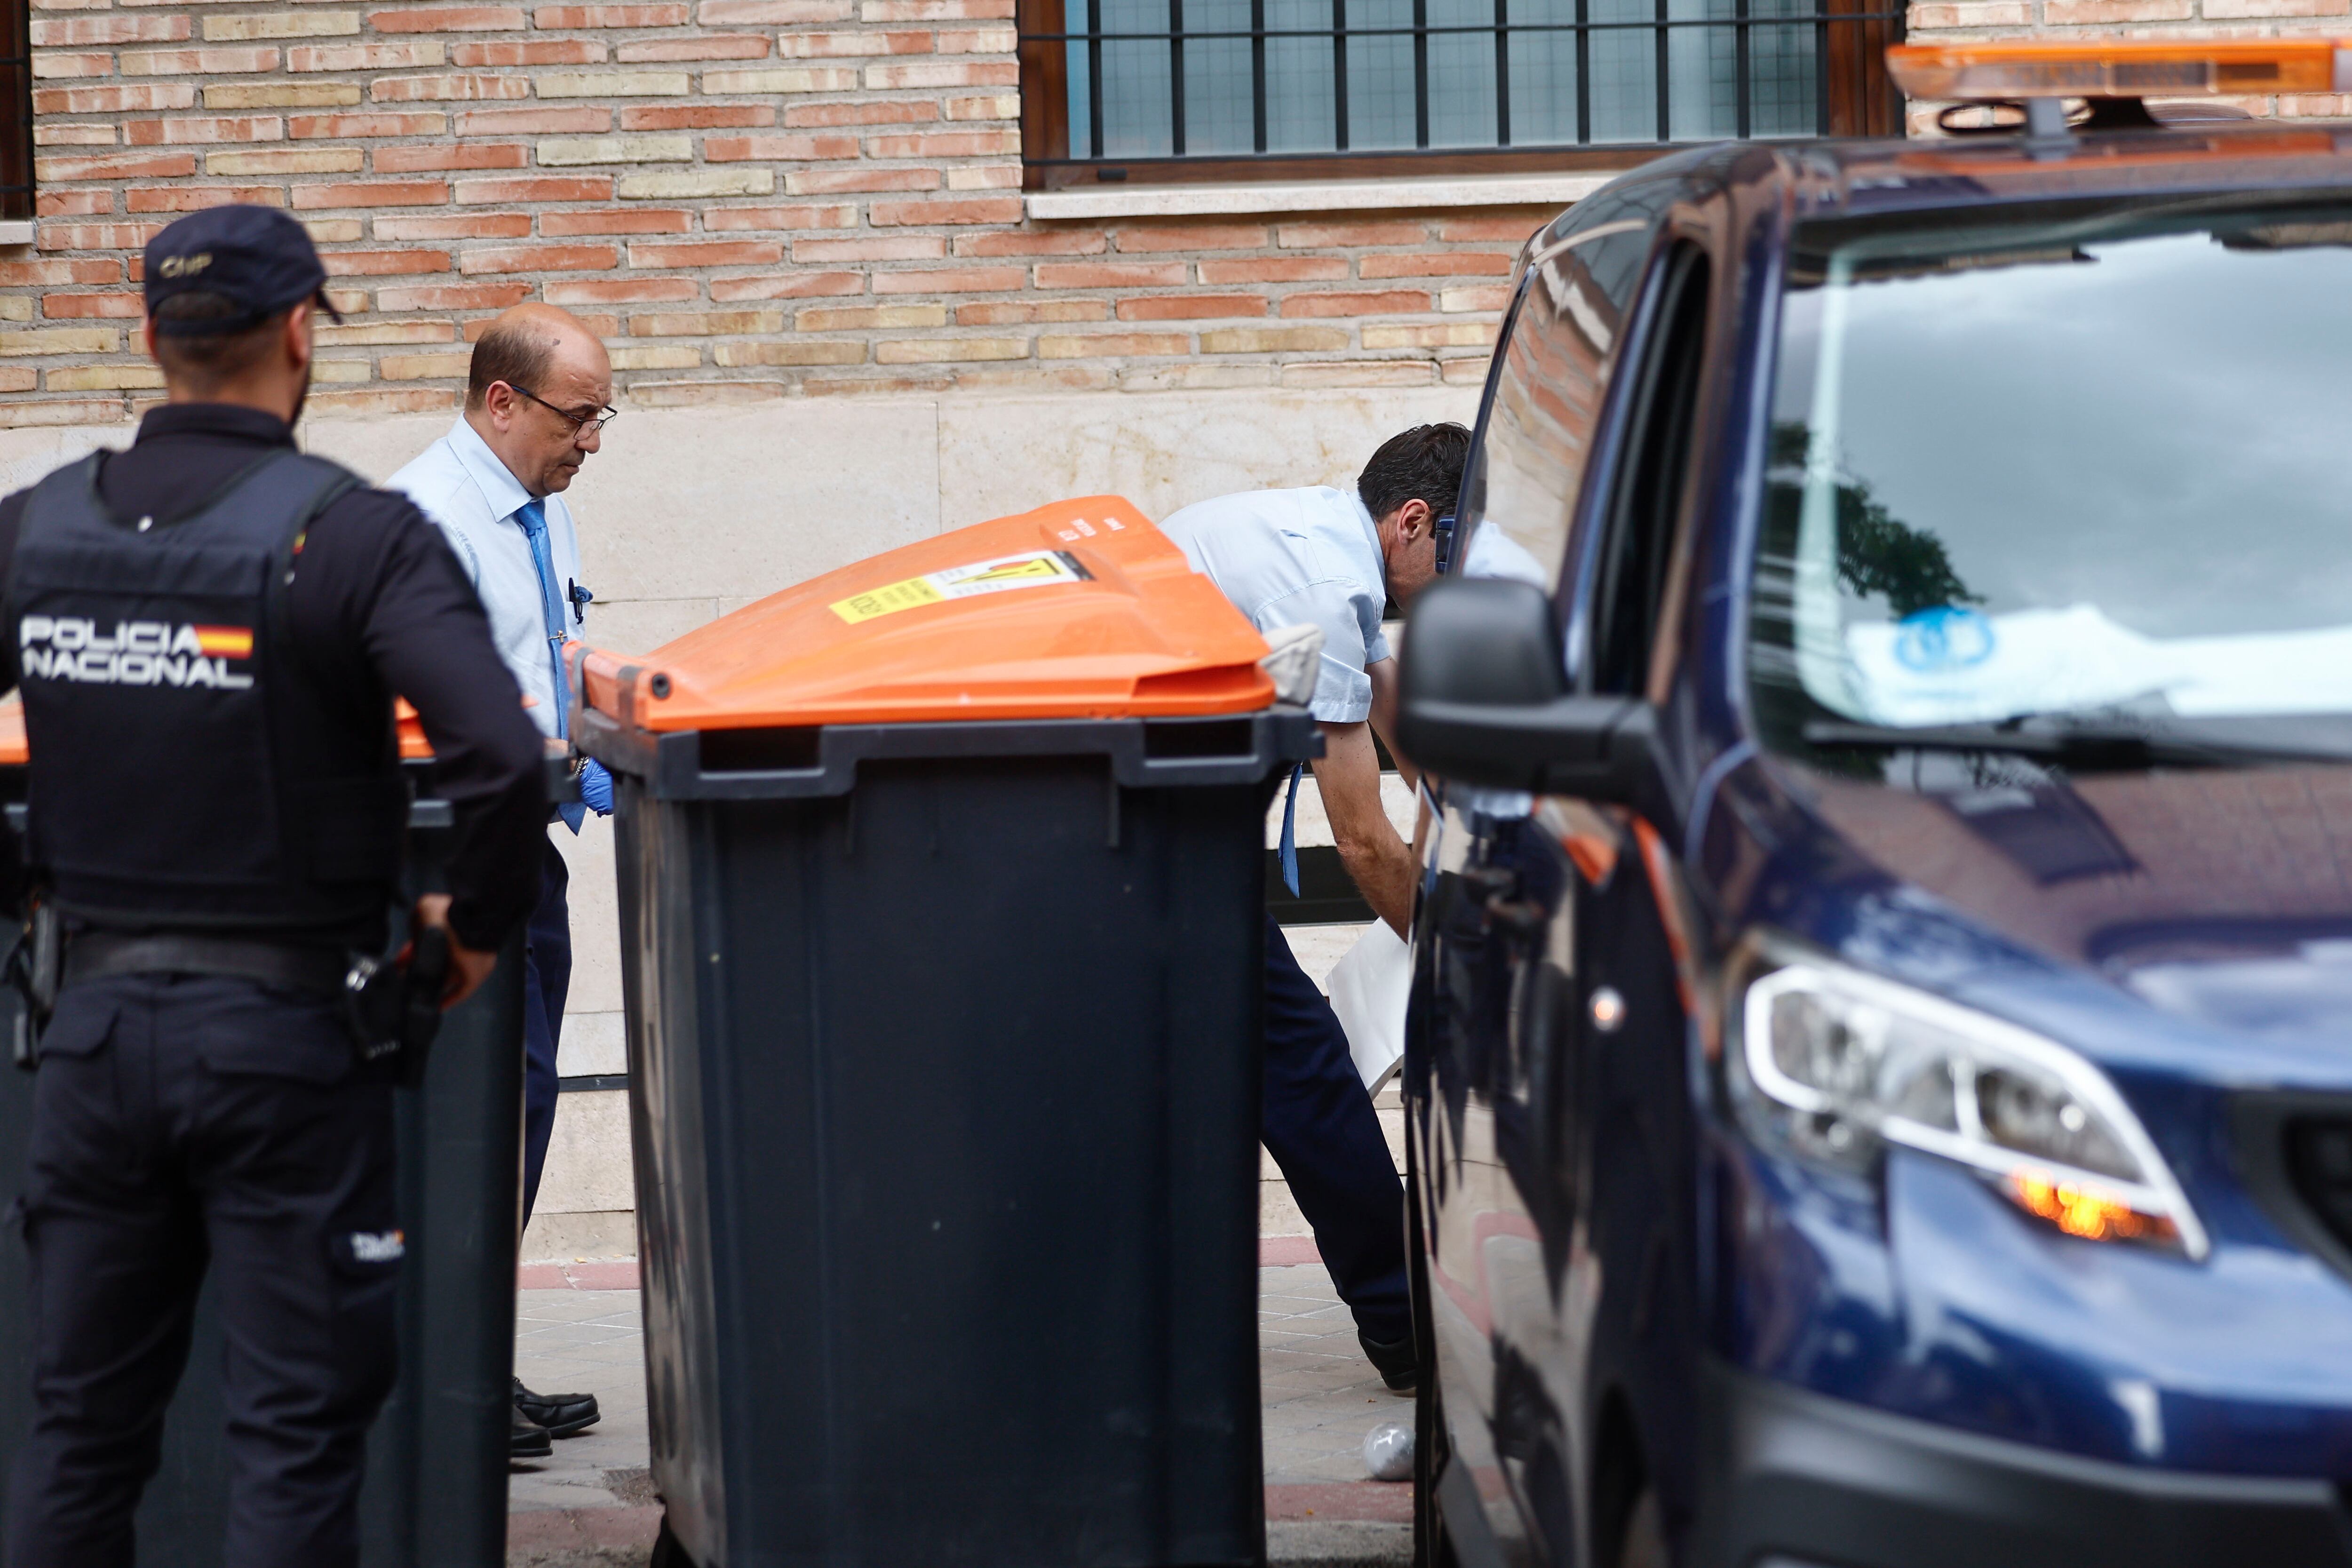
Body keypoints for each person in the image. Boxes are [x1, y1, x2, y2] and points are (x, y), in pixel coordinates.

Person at [0, 205, 547, 1568]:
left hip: (94, 1042)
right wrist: (463, 939)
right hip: (287, 1050)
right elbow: (501, 759)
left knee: (80, 1431)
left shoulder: (37, 527)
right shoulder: (353, 537)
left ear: (148, 338)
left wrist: (23, 895)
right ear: (302, 335)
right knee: (296, 1437)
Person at [1157, 422, 1483, 1394]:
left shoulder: (1317, 540)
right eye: (1462, 558)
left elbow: (1379, 696)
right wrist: (1448, 967)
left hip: (1134, 819)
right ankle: (1401, 1323)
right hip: (1150, 841)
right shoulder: (1322, 581)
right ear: (1413, 521)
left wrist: (1450, 793)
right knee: (1301, 1066)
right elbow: (1361, 837)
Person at [388, 304, 616, 1457]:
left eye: (602, 416)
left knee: (519, 1102)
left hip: (527, 841)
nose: (591, 438)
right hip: (449, 848)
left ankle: (469, 1347)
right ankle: (435, 1365)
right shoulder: (426, 518)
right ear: (501, 402)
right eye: (579, 416)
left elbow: (545, 649)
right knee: (482, 1108)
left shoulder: (539, 507)